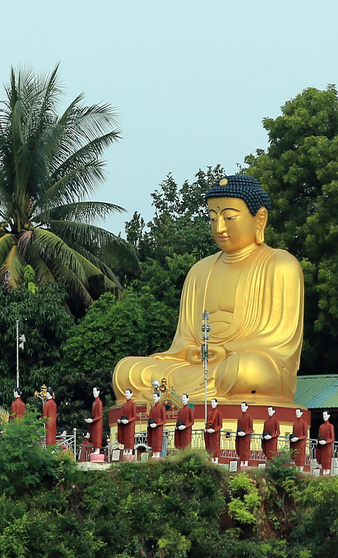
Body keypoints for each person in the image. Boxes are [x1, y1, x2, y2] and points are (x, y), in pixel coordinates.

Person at [112, 174, 303, 405]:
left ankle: (179, 396)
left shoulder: (280, 264)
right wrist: (189, 351)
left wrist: (225, 350)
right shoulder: (200, 270)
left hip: (240, 366)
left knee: (247, 370)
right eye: (213, 219)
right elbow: (184, 337)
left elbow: (279, 339)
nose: (219, 227)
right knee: (127, 371)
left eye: (229, 217)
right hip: (197, 365)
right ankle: (180, 397)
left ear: (260, 219)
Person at [116, 389, 138, 459]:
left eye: (128, 393)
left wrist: (128, 421)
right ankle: (126, 450)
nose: (126, 395)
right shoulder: (123, 405)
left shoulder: (133, 404)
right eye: (125, 393)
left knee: (130, 437)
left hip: (130, 425)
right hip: (124, 424)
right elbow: (121, 415)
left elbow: (134, 416)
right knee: (125, 437)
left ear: (131, 394)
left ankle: (130, 450)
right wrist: (120, 420)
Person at [147, 383, 167, 457]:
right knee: (153, 444)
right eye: (153, 397)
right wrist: (150, 424)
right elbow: (150, 418)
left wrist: (157, 424)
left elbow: (164, 420)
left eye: (155, 397)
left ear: (159, 398)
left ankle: (157, 455)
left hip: (158, 429)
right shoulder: (152, 408)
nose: (154, 399)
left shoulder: (162, 407)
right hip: (153, 429)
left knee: (158, 444)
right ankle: (154, 455)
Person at [84, 386, 104, 458]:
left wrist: (93, 420)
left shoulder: (99, 402)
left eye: (95, 391)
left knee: (97, 436)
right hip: (94, 422)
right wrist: (90, 419)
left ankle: (97, 449)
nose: (94, 393)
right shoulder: (94, 402)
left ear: (98, 392)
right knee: (94, 435)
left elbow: (100, 415)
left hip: (98, 422)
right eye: (93, 391)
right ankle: (96, 449)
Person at [234, 401, 254, 466]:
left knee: (245, 449)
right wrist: (238, 433)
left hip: (246, 437)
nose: (242, 408)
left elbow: (251, 429)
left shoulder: (249, 417)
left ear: (247, 407)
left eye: (243, 406)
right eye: (241, 406)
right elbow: (238, 427)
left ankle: (246, 462)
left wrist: (245, 433)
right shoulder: (239, 417)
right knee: (240, 449)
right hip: (240, 437)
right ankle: (242, 461)